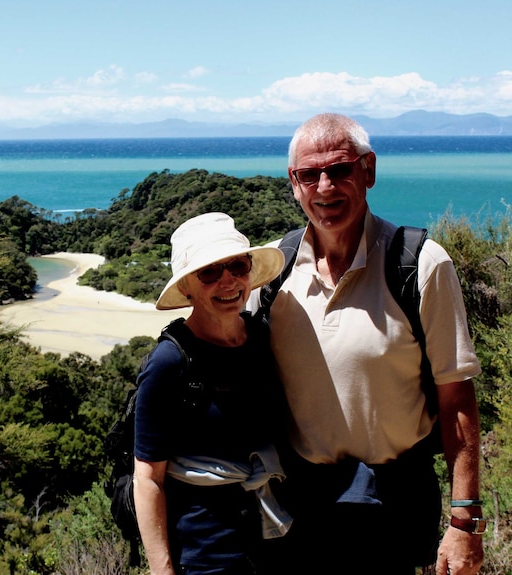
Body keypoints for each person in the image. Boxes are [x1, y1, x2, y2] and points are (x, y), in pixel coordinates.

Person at [253, 113, 485, 575]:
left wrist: (464, 522)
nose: (325, 188)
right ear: (293, 184)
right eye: (309, 175)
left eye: (339, 170)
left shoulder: (419, 264)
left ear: (368, 171)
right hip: (300, 508)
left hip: (392, 508)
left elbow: (457, 398)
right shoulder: (273, 273)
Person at [133, 212, 292, 575]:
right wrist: (162, 569)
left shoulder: (262, 338)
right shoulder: (169, 363)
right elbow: (148, 479)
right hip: (205, 552)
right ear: (186, 287)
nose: (228, 281)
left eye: (238, 265)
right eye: (209, 272)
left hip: (275, 539)